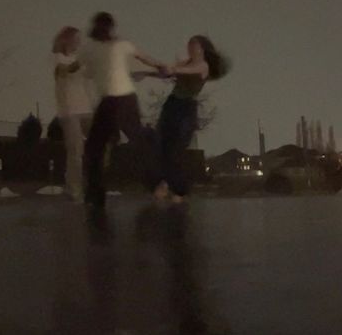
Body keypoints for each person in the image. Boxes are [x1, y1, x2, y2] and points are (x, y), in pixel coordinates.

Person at [79, 12, 167, 208]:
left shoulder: (106, 46)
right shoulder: (111, 45)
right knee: (103, 145)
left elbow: (143, 58)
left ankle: (96, 193)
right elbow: (144, 58)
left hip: (119, 99)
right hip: (117, 100)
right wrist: (158, 66)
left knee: (101, 146)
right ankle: (96, 193)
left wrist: (158, 67)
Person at [152, 36, 230, 203]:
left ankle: (178, 190)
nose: (190, 48)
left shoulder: (203, 66)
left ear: (202, 48)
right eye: (189, 45)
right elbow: (167, 72)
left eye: (194, 45)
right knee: (163, 144)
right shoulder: (185, 64)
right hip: (172, 104)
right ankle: (167, 184)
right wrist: (146, 73)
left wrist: (173, 69)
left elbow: (182, 71)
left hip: (186, 108)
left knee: (177, 147)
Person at [52, 26, 93, 202]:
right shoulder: (57, 57)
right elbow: (65, 70)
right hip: (69, 111)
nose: (79, 42)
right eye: (76, 38)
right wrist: (81, 61)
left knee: (99, 144)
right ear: (66, 39)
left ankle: (92, 185)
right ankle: (74, 190)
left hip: (86, 109)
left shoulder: (80, 58)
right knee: (76, 149)